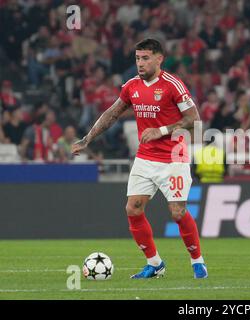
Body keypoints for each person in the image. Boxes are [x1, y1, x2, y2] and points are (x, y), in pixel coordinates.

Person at [71, 38, 208, 279]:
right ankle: (155, 264)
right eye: (137, 59)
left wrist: (162, 130)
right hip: (145, 158)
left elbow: (193, 118)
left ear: (159, 58)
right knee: (133, 209)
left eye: (145, 58)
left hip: (174, 157)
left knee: (177, 212)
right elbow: (111, 114)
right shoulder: (132, 86)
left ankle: (197, 262)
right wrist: (87, 139)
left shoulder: (172, 84)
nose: (140, 63)